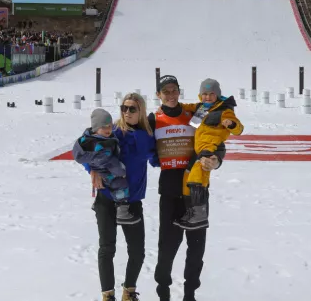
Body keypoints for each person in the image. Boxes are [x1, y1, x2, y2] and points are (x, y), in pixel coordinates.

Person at [150, 75, 224, 301]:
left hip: (196, 191)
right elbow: (129, 139)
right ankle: (163, 291)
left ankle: (190, 293)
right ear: (158, 95)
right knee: (167, 247)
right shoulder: (153, 119)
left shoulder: (195, 114)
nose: (171, 95)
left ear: (179, 92)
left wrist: (217, 160)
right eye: (166, 91)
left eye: (174, 90)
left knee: (196, 248)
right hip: (170, 192)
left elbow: (216, 142)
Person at [85, 97, 157, 301]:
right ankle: (107, 295)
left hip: (132, 201)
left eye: (132, 108)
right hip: (107, 198)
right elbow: (86, 149)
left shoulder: (147, 135)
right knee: (107, 248)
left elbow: (157, 159)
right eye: (124, 108)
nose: (127, 112)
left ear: (141, 110)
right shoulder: (112, 131)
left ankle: (129, 292)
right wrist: (91, 170)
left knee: (138, 251)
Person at [176, 78, 243, 230]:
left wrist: (231, 124)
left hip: (211, 148)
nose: (207, 97)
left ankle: (200, 213)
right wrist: (173, 106)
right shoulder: (201, 108)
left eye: (211, 94)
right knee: (187, 177)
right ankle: (190, 210)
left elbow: (238, 128)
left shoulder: (224, 110)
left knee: (198, 176)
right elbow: (186, 107)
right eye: (204, 94)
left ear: (217, 95)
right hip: (198, 149)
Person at [73, 109, 139, 226]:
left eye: (110, 126)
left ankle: (101, 204)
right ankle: (122, 211)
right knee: (120, 184)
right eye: (104, 127)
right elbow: (79, 155)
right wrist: (95, 160)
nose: (108, 129)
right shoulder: (90, 141)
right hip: (104, 170)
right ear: (95, 128)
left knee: (116, 183)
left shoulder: (108, 137)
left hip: (108, 167)